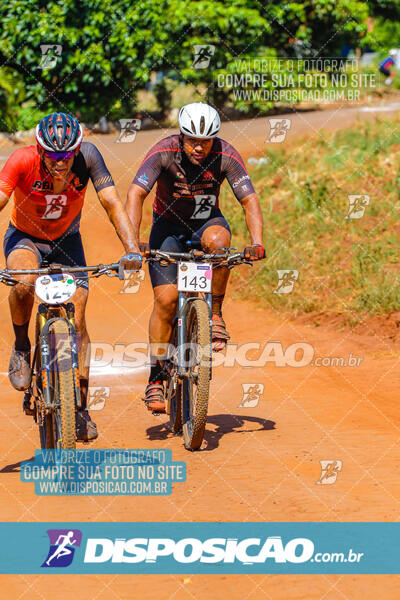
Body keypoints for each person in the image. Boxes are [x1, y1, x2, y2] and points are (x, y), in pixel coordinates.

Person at [0, 112, 142, 440]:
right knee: (23, 281)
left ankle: (79, 408)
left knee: (78, 319)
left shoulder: (89, 157)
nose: (60, 163)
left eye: (67, 155)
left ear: (77, 150)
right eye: (52, 156)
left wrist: (132, 249)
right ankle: (22, 346)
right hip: (25, 237)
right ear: (39, 150)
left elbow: (111, 202)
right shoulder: (22, 160)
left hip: (67, 241)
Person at [126, 102, 265, 412]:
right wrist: (133, 244)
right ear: (181, 135)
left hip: (206, 223)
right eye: (192, 140)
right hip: (167, 230)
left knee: (221, 244)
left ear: (215, 138)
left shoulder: (225, 155)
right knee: (165, 301)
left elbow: (249, 199)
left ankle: (214, 313)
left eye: (206, 141)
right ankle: (156, 378)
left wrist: (257, 242)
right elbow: (136, 193)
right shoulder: (163, 152)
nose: (199, 147)